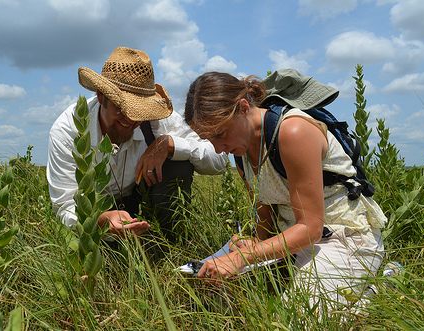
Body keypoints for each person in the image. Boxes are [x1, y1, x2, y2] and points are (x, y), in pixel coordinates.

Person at [184, 69, 386, 307]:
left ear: (244, 108)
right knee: (204, 289)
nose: (218, 149)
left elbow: (311, 229)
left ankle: (380, 286)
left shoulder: (293, 132)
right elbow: (264, 217)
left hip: (342, 238)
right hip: (292, 244)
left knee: (300, 319)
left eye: (221, 134)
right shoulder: (240, 150)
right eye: (210, 140)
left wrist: (243, 257)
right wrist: (250, 240)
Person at [47, 47, 227, 244]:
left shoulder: (156, 120)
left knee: (179, 163)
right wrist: (101, 219)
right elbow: (64, 206)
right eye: (120, 108)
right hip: (96, 210)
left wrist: (168, 144)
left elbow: (219, 160)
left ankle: (171, 244)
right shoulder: (68, 130)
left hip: (141, 197)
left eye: (138, 111)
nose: (130, 118)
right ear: (101, 97)